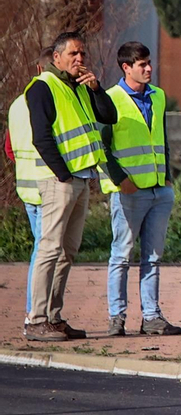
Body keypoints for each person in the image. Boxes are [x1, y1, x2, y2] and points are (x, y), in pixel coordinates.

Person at [24, 31, 116, 341]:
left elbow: (109, 116)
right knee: (49, 249)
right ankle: (35, 320)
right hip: (59, 180)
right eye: (73, 54)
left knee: (68, 251)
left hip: (82, 178)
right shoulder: (42, 87)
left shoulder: (79, 88)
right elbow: (41, 137)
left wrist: (97, 88)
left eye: (82, 54)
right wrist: (62, 174)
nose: (80, 59)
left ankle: (54, 316)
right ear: (57, 58)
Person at [101, 41, 181, 337]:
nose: (149, 68)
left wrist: (168, 176)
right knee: (121, 255)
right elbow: (102, 146)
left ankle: (152, 317)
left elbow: (163, 139)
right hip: (128, 192)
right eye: (142, 64)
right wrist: (120, 179)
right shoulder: (110, 99)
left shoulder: (158, 96)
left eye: (149, 63)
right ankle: (116, 317)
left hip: (159, 190)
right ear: (126, 67)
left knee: (153, 257)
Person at [7, 47, 52, 318]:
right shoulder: (50, 101)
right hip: (48, 188)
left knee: (40, 249)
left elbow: (9, 149)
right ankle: (34, 311)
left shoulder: (17, 104)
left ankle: (35, 310)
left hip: (26, 189)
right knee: (44, 253)